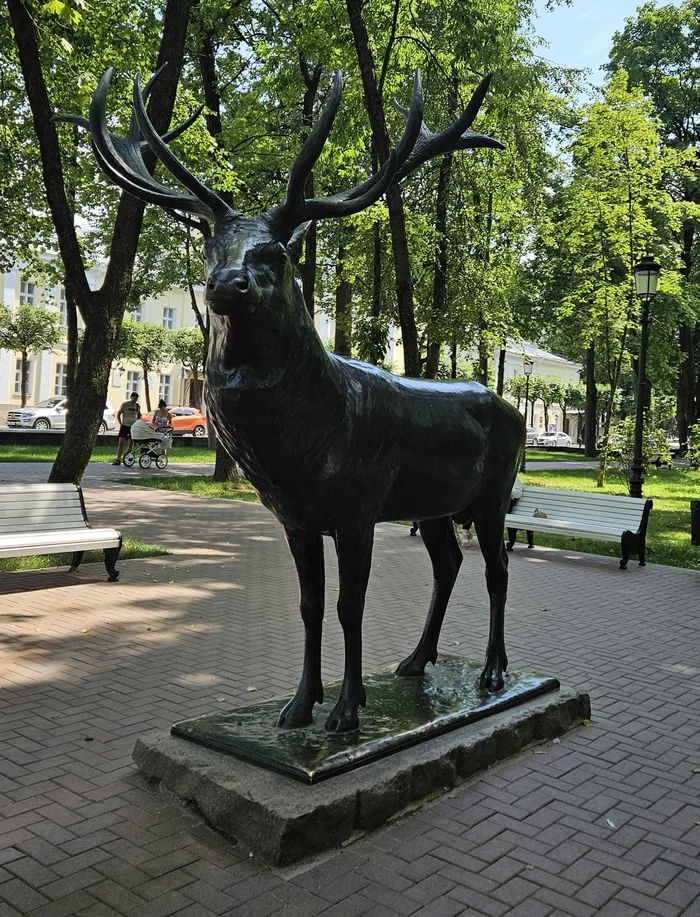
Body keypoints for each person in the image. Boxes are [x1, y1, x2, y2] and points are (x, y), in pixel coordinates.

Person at [113, 392, 141, 465]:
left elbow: (139, 415)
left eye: (136, 398)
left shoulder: (137, 406)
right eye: (134, 397)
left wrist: (138, 423)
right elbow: (119, 413)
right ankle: (118, 458)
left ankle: (128, 458)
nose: (135, 399)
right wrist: (120, 423)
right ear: (131, 397)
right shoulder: (125, 405)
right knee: (121, 441)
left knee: (131, 442)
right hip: (125, 425)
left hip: (133, 426)